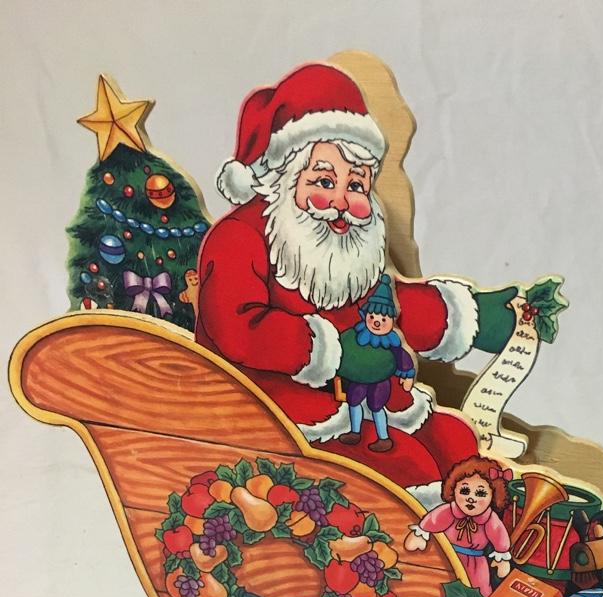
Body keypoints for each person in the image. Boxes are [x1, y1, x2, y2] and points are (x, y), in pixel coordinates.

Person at [195, 62, 553, 492]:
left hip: (364, 395)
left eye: (356, 186)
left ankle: (496, 523)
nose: (341, 202)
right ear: (283, 175)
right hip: (273, 411)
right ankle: (438, 531)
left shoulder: (341, 246)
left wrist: (477, 315)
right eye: (324, 180)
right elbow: (238, 329)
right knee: (411, 467)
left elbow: (387, 307)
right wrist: (330, 351)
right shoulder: (239, 237)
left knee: (456, 442)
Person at [404, 456, 512, 597]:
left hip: (475, 564)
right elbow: (435, 519)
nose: (471, 498)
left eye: (480, 493)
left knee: (477, 589)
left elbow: (499, 534)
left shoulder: (489, 519)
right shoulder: (450, 511)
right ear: (453, 490)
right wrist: (421, 533)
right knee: (436, 585)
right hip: (446, 555)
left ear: (493, 496)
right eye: (465, 491)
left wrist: (502, 557)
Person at [338, 274, 415, 453]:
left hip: (380, 381)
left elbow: (402, 358)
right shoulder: (356, 336)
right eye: (372, 317)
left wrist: (408, 375)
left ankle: (383, 438)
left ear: (392, 321)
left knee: (376, 406)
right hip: (359, 379)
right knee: (353, 401)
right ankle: (355, 432)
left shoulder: (392, 343)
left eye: (383, 319)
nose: (377, 322)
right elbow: (343, 347)